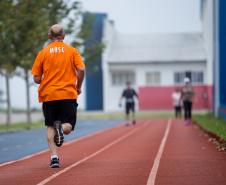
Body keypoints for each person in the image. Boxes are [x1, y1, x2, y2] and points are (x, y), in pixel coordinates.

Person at [32, 24, 85, 168]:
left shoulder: (43, 53)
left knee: (50, 126)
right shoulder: (72, 51)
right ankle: (60, 128)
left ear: (50, 36)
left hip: (49, 95)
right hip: (68, 94)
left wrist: (47, 80)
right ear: (64, 35)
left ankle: (54, 158)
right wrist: (78, 86)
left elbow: (36, 78)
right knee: (68, 126)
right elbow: (81, 69)